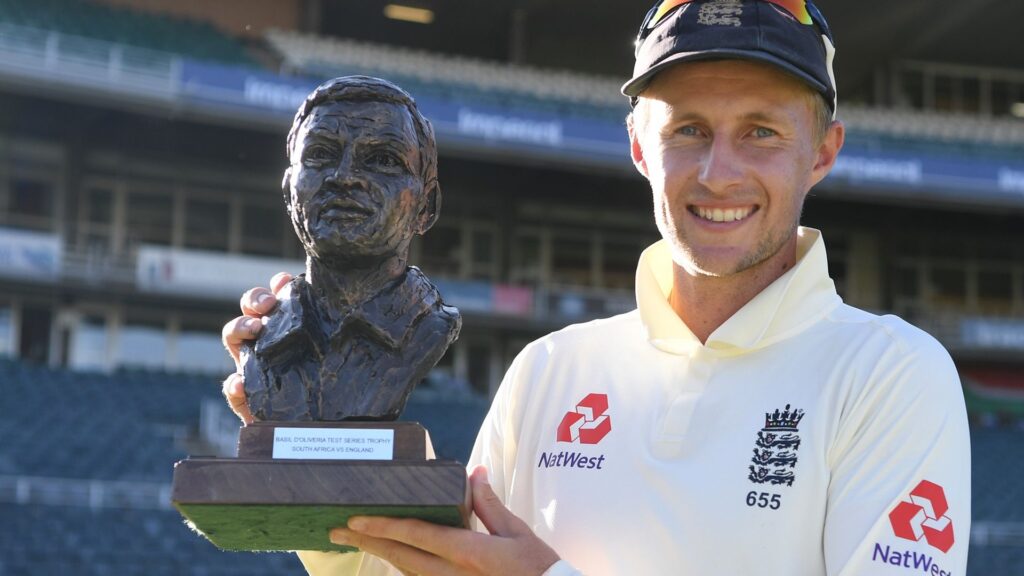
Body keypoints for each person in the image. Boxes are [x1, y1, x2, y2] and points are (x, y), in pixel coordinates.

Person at [221, 1, 971, 574]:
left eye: (762, 132)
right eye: (687, 130)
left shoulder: (893, 375)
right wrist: (301, 451)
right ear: (640, 145)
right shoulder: (551, 370)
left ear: (823, 153)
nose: (719, 173)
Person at [235, 75, 461, 423]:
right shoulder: (265, 336)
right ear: (288, 194)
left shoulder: (431, 329)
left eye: (383, 160)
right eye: (321, 154)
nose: (344, 176)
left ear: (426, 207)